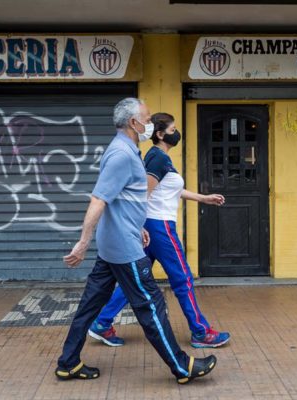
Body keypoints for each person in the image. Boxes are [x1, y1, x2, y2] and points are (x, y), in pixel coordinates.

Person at [55, 98, 217, 384]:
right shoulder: (122, 155)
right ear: (134, 123)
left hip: (116, 244)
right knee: (152, 306)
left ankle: (68, 363)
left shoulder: (125, 149)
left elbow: (123, 199)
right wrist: (82, 242)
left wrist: (136, 225)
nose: (150, 123)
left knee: (89, 307)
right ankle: (182, 366)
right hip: (124, 249)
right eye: (147, 117)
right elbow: (99, 199)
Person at [88, 112, 231, 349]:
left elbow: (169, 190)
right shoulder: (157, 159)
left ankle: (102, 322)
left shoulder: (160, 157)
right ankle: (200, 331)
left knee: (137, 280)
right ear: (161, 134)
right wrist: (138, 225)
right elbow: (143, 193)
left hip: (152, 226)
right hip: (160, 227)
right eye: (173, 130)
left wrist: (203, 198)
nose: (177, 133)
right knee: (182, 278)